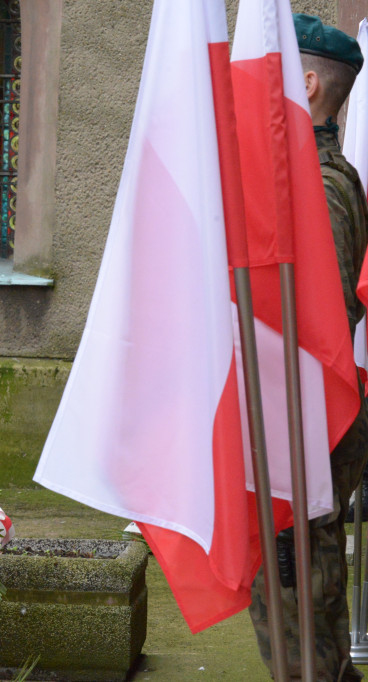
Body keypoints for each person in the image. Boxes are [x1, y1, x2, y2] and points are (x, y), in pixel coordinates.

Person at [248, 14, 368, 681]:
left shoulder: (319, 188)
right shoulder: (297, 180)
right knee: (290, 615)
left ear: (310, 84)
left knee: (300, 626)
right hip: (290, 429)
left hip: (305, 435)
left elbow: (322, 328)